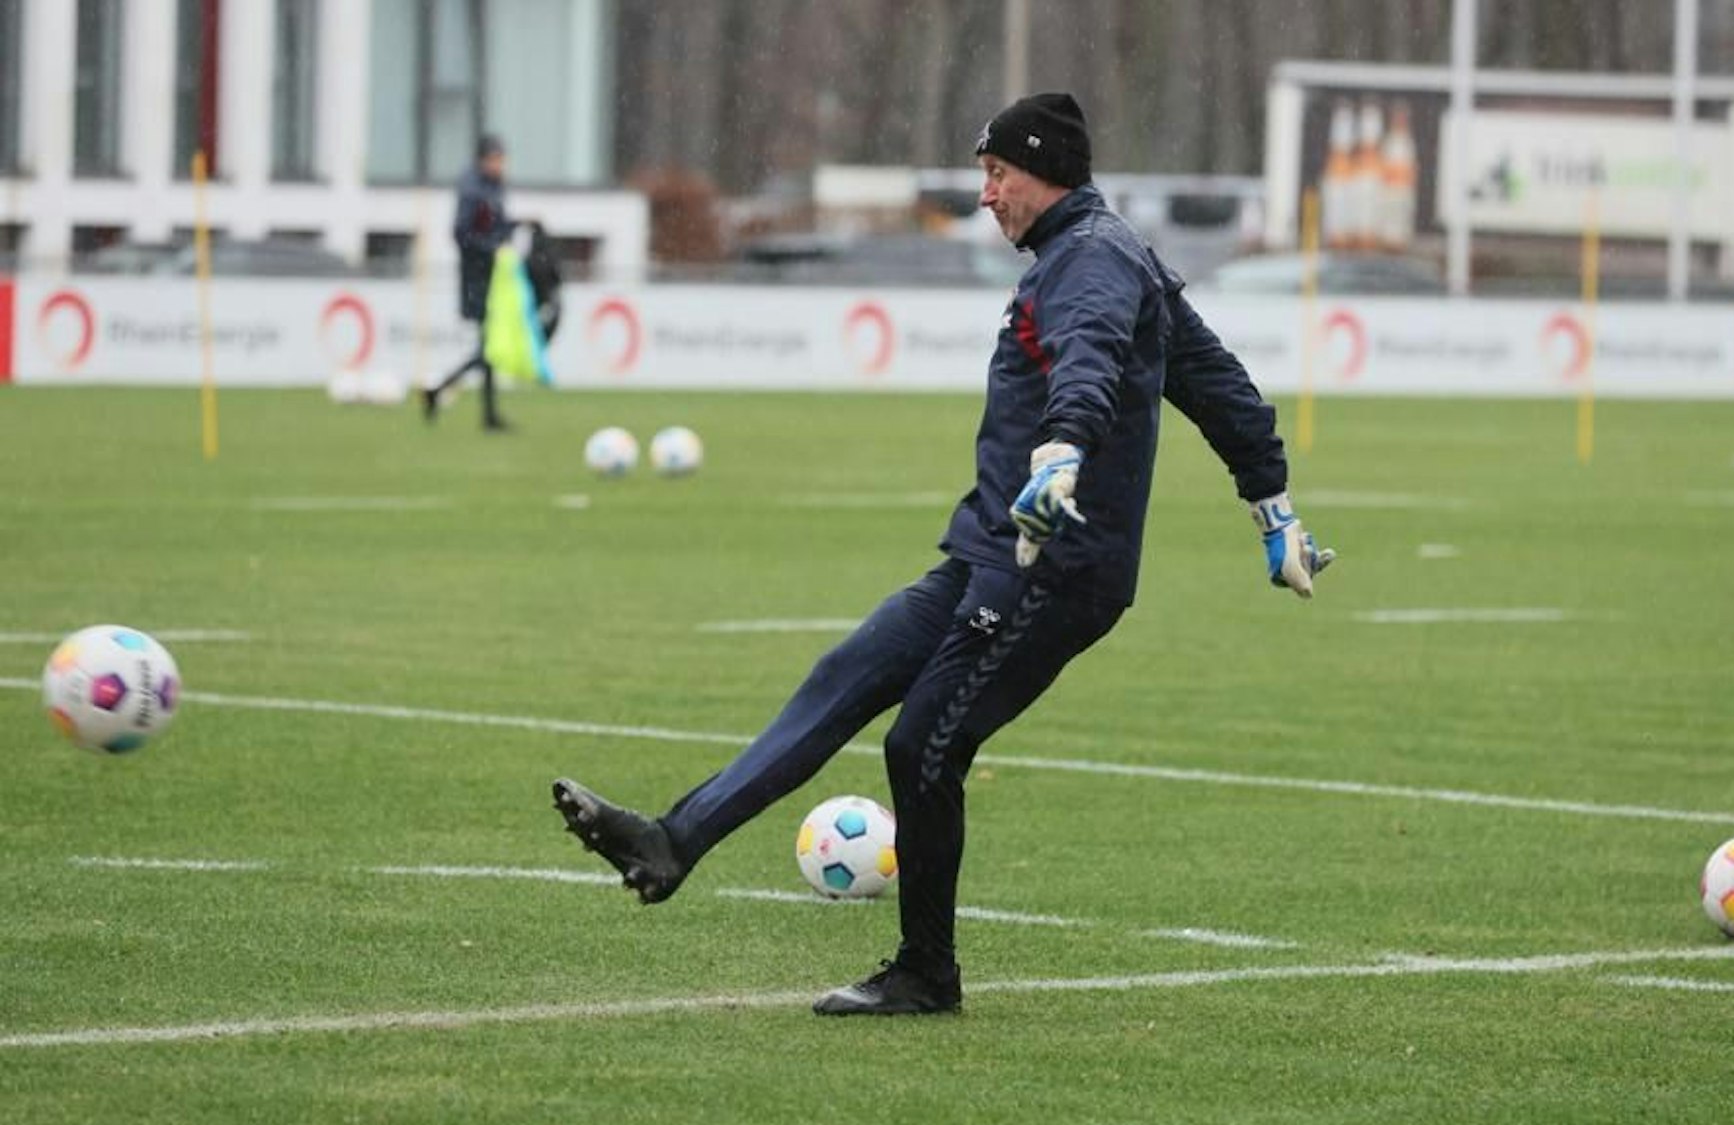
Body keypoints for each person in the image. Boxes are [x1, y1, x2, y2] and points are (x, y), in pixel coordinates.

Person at [551, 92, 1335, 1016]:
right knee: (847, 674)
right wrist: (1272, 507)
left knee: (924, 741)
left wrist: (1066, 452)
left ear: (1045, 172)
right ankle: (671, 841)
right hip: (992, 547)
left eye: (998, 174)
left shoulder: (1091, 260)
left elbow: (1090, 363)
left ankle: (926, 971)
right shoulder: (1104, 252)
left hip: (1054, 564)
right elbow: (1221, 387)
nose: (986, 194)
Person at [423, 134, 512, 431]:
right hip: (477, 278)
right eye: (496, 159)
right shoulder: (472, 189)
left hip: (494, 276)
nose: (501, 165)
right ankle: (443, 391)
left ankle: (484, 413)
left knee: (489, 348)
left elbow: (498, 225)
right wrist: (491, 247)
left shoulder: (495, 186)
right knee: (489, 349)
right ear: (483, 160)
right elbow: (462, 233)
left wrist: (516, 228)